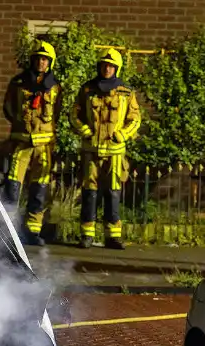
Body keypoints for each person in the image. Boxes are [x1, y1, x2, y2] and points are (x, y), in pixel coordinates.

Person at [71, 47, 141, 250]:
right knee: (89, 192)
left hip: (115, 152)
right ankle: (87, 235)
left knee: (113, 192)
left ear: (116, 69)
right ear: (99, 66)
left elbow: (135, 119)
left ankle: (113, 236)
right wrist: (83, 129)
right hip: (91, 150)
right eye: (104, 65)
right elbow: (73, 114)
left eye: (111, 66)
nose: (107, 69)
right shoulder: (86, 90)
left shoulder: (126, 92)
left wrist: (123, 135)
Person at [2, 39, 60, 246]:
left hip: (44, 147)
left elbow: (59, 114)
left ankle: (32, 231)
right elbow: (8, 107)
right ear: (32, 60)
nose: (41, 63)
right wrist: (19, 123)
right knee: (12, 184)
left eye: (45, 60)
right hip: (21, 143)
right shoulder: (18, 83)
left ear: (50, 62)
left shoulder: (55, 87)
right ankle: (8, 228)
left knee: (39, 188)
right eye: (38, 59)